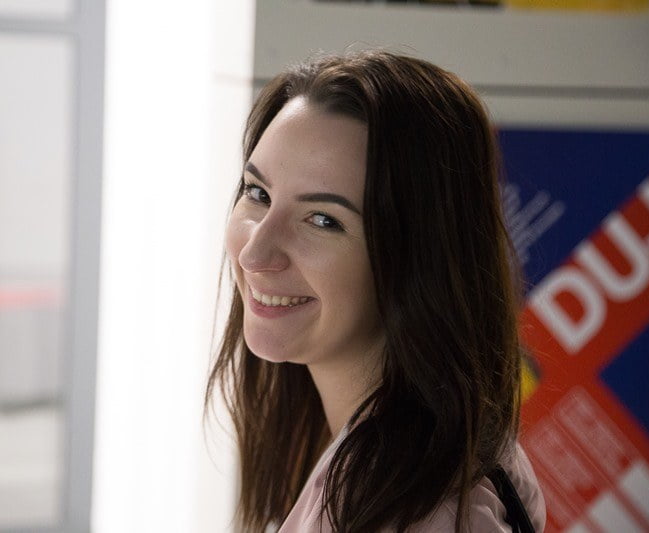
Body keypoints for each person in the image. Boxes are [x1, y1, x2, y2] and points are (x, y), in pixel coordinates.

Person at [205, 50, 546, 532]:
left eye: (323, 220)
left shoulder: (410, 511)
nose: (254, 254)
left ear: (420, 258)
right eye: (257, 193)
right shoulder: (400, 455)